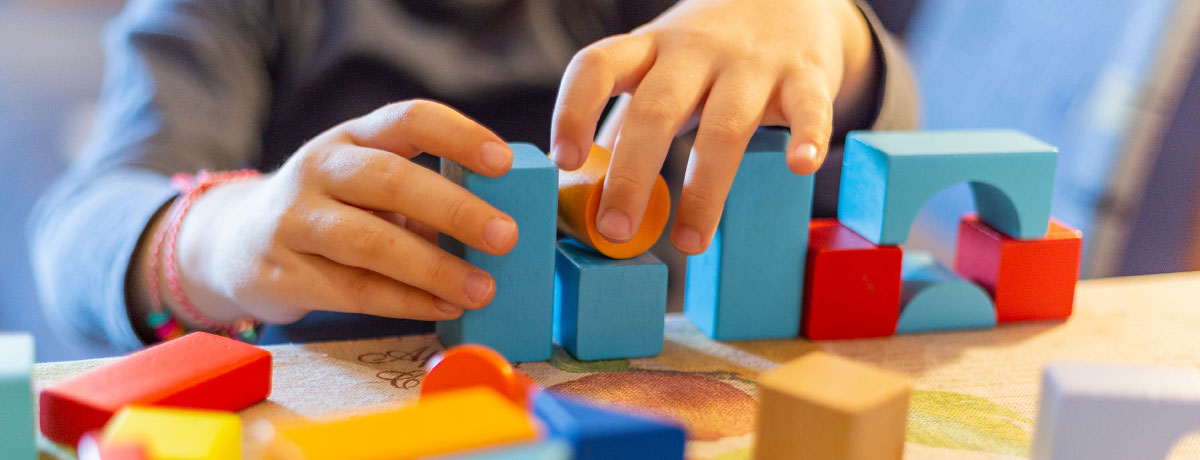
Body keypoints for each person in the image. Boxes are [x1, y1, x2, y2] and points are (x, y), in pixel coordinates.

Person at [30, 0, 916, 350]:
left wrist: (830, 33)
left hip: (646, 385)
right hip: (346, 402)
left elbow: (865, 162)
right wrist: (222, 236)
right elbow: (82, 225)